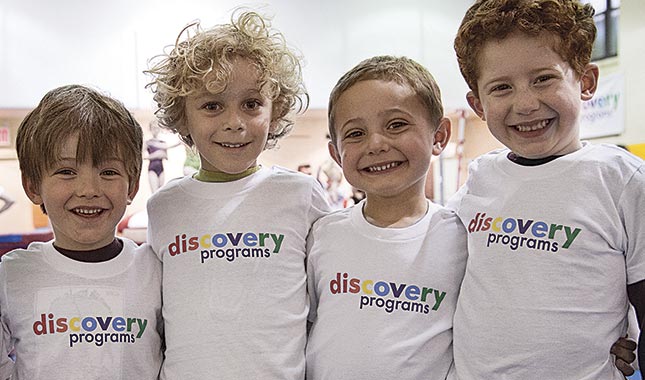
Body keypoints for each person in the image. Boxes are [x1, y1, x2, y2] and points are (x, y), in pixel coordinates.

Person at [447, 0, 645, 378]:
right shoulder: (479, 178)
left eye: (544, 79)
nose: (525, 104)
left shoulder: (622, 181)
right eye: (501, 87)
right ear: (478, 105)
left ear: (586, 81)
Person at [144, 9, 330, 379]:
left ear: (275, 111)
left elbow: (324, 303)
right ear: (183, 117)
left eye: (251, 104)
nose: (234, 122)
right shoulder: (164, 207)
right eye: (212, 106)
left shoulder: (301, 195)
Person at [305, 55, 467, 379]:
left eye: (396, 125)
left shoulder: (462, 239)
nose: (376, 144)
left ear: (439, 136)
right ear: (336, 154)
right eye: (355, 133)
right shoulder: (322, 235)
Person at [0, 85, 163, 379]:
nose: (89, 190)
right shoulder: (11, 276)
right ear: (33, 186)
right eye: (66, 171)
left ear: (133, 186)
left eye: (109, 172)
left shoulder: (155, 271)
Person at [145, 121, 180, 192]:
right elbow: (143, 156)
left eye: (157, 128)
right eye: (154, 128)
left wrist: (162, 155)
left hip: (161, 169)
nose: (155, 130)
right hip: (152, 169)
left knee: (160, 192)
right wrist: (155, 155)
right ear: (150, 129)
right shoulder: (148, 142)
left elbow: (166, 157)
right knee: (154, 192)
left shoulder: (162, 143)